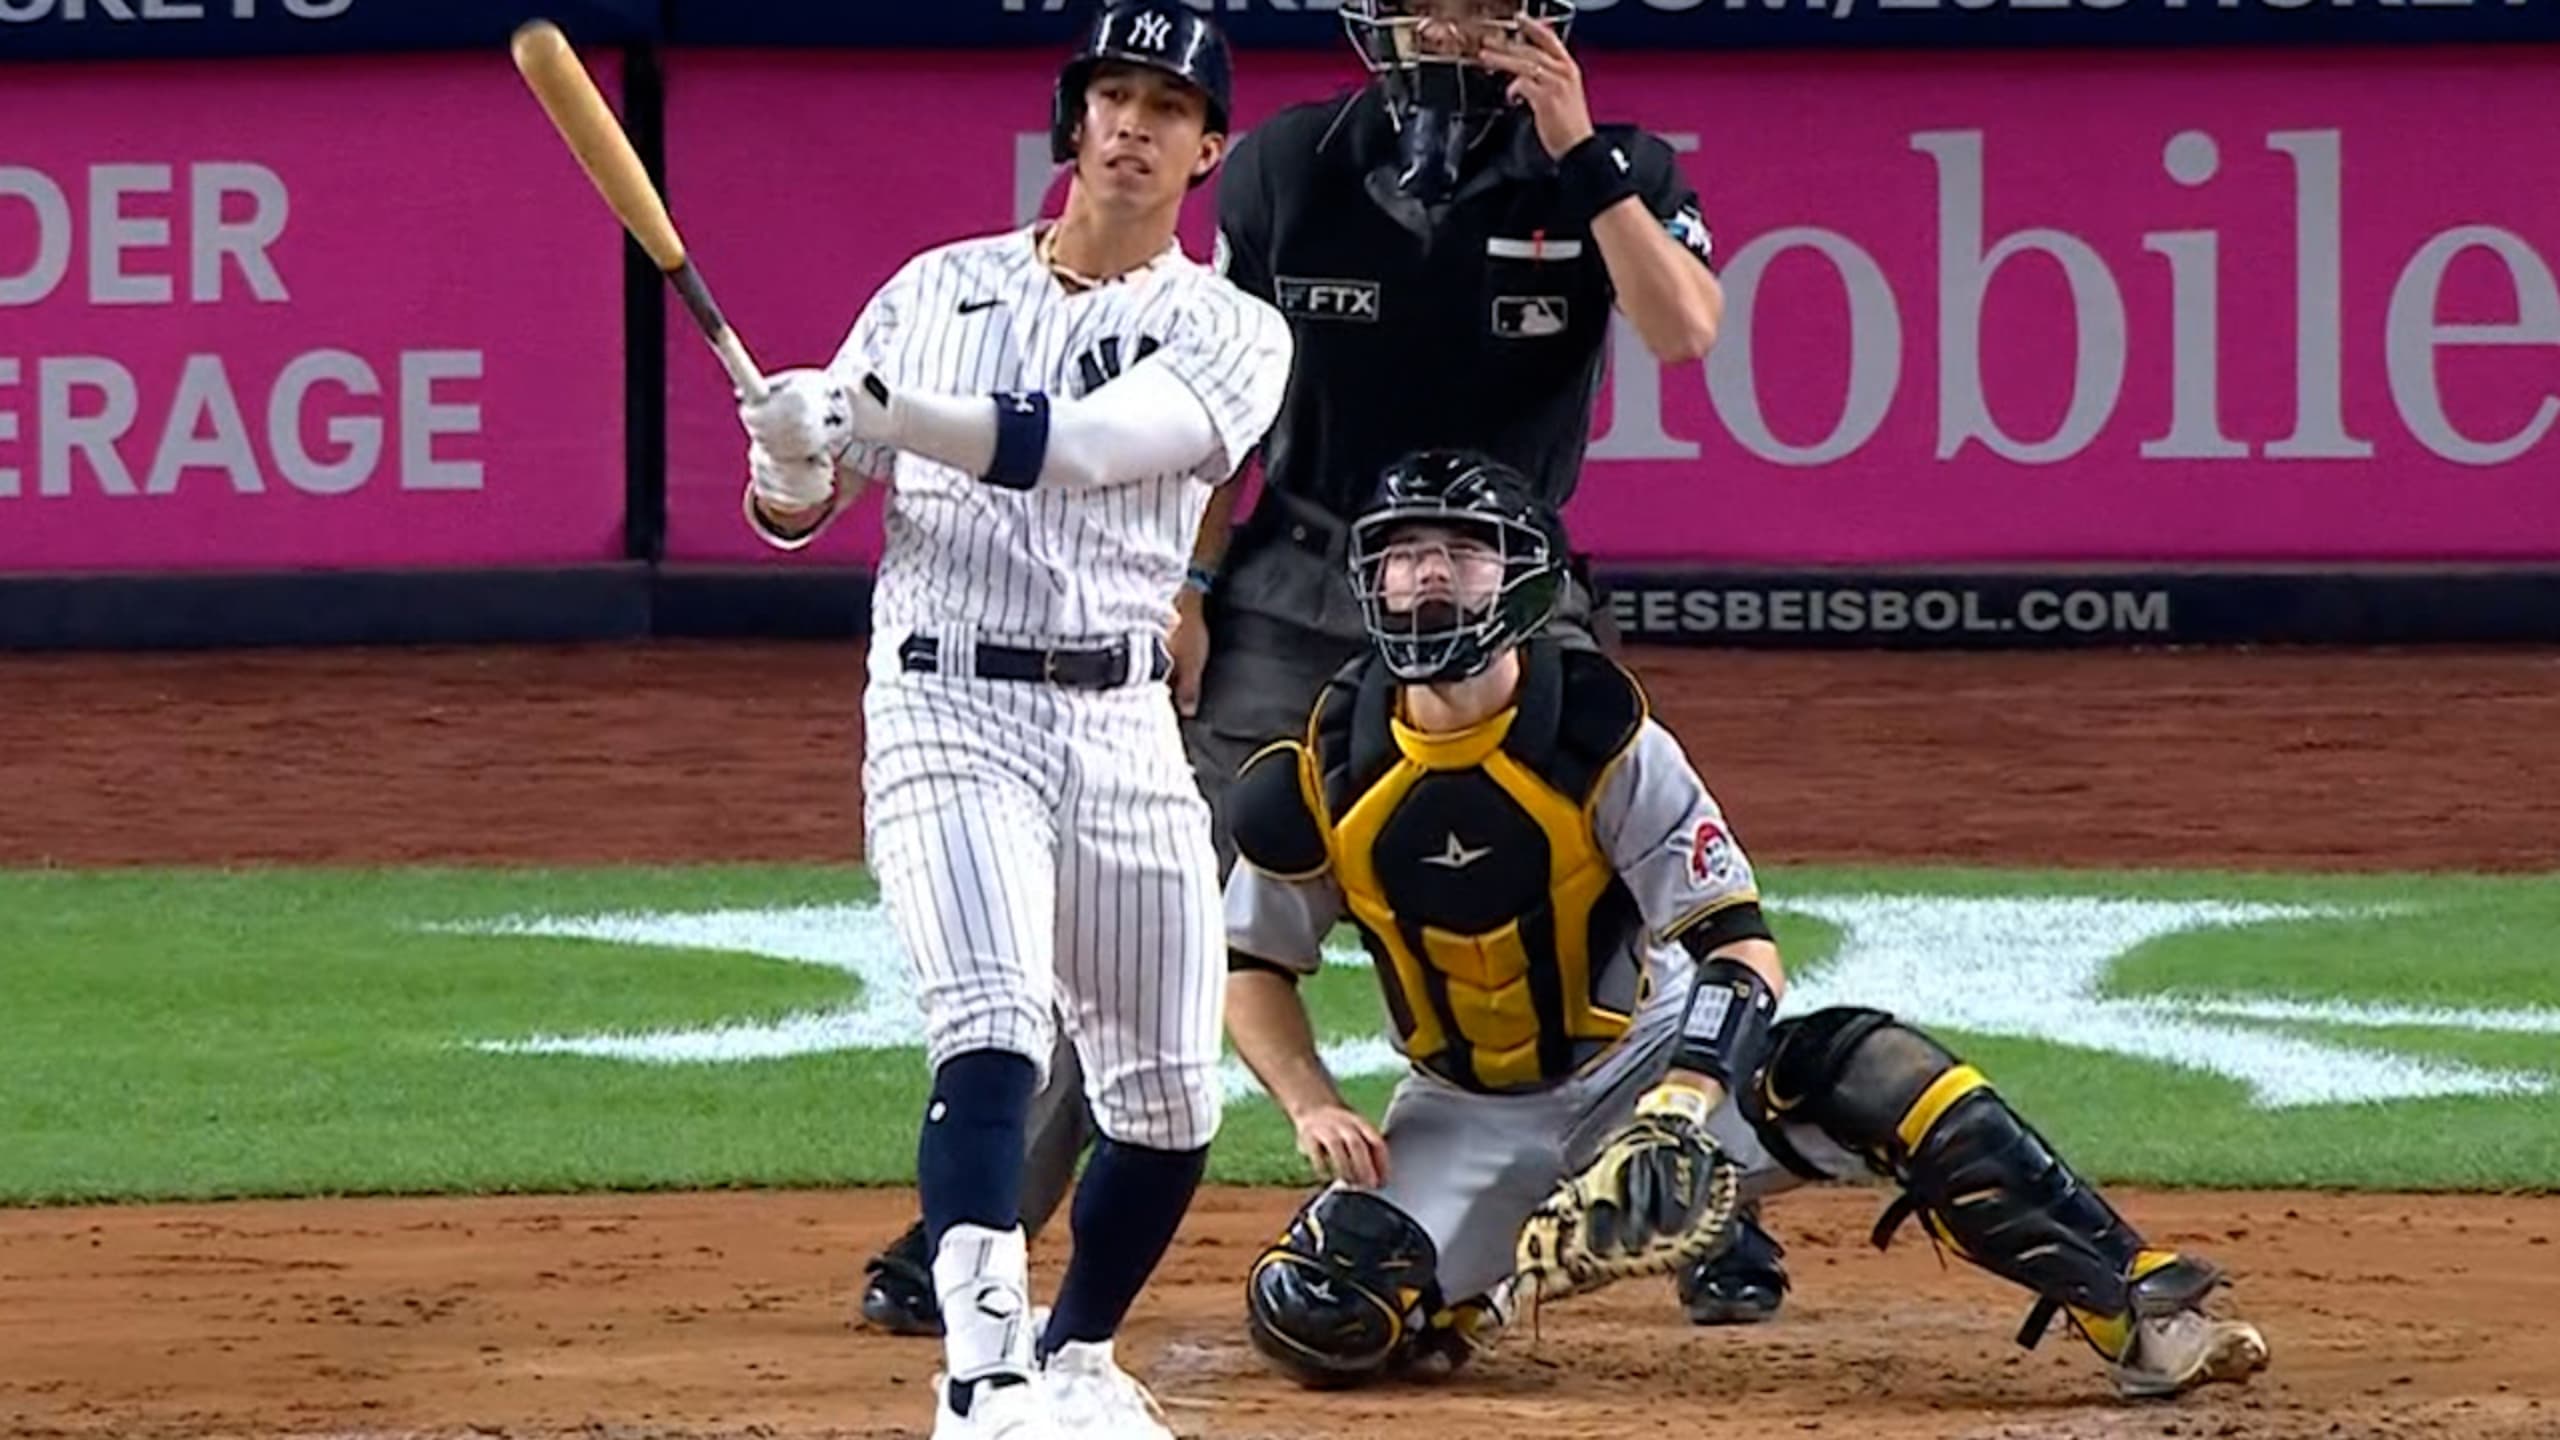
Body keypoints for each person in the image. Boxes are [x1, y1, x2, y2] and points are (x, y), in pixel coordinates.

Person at [853, 0, 1758, 1339]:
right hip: (1303, 575)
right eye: (1429, 2)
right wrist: (1193, 583)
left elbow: (1685, 331)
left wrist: (1582, 154)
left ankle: (1716, 1209)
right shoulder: (1288, 164)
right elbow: (1223, 406)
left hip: (1508, 591)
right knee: (1141, 883)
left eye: (1483, 4)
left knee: (1630, 892)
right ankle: (983, 1216)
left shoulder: (1617, 165)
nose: (1454, 28)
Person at [1221, 450, 2273, 1401]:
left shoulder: (1601, 738)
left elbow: (1737, 946)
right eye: (1403, 554)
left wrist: (1681, 1099)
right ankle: (1494, 1277)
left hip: (1645, 1061)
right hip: (1465, 1110)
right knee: (1319, 1316)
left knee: (1878, 1069)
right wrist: (1310, 1101)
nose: (1429, 576)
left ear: (1523, 580)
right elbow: (1252, 963)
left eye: (1462, 552)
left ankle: (2138, 1310)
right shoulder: (1322, 769)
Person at [736, 4, 1292, 1435]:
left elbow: (1089, 447)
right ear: (1075, 120)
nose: (1132, 124)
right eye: (1113, 94)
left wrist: (872, 408)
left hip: (1120, 727)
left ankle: (1076, 1358)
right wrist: (792, 457)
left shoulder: (1232, 331)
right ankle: (981, 1378)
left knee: (1169, 1101)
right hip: (943, 701)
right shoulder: (932, 289)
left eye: (1168, 107)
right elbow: (806, 510)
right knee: (992, 1025)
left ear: (1207, 149)